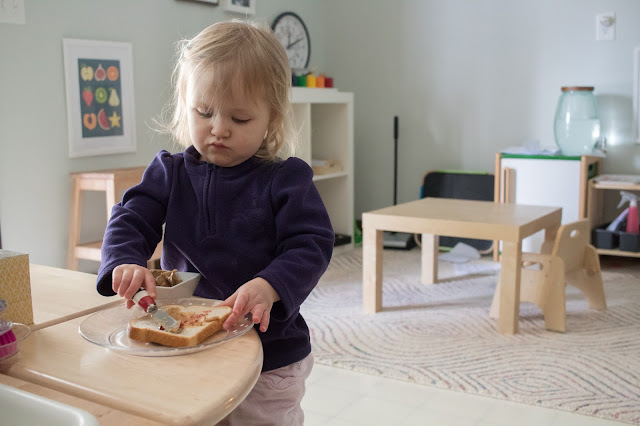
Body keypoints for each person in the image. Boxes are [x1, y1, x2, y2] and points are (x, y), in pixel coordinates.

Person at [96, 20, 334, 425]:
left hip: (269, 356)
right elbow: (130, 217)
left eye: (240, 119)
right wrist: (125, 260)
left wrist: (271, 285)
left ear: (270, 119)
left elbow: (311, 243)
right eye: (204, 112)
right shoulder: (170, 172)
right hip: (188, 346)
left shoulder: (286, 179)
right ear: (185, 103)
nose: (219, 129)